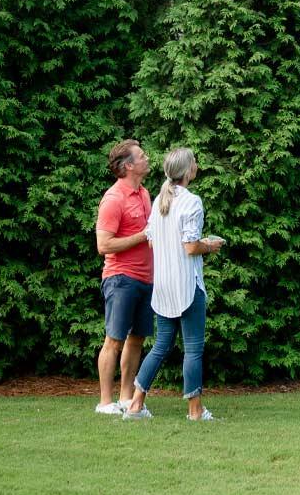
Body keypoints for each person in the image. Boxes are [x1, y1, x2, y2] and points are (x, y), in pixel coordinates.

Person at [124, 147, 224, 421]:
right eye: (194, 163)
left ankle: (135, 405)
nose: (197, 166)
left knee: (160, 347)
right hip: (187, 286)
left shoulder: (159, 202)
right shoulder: (192, 202)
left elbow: (154, 241)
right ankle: (195, 410)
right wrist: (210, 245)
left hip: (163, 287)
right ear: (188, 170)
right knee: (193, 349)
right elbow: (191, 247)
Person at [94, 139, 154, 415]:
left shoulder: (144, 194)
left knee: (137, 339)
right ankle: (105, 403)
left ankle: (126, 398)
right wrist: (143, 236)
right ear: (129, 165)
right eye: (141, 156)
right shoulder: (113, 199)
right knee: (114, 340)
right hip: (120, 278)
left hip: (145, 278)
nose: (147, 158)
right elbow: (104, 245)